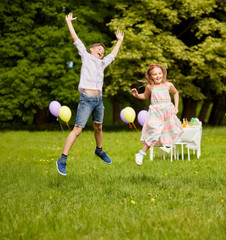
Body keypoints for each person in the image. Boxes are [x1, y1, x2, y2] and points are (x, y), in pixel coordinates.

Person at [56, 13, 124, 176]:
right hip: (86, 100)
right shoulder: (86, 56)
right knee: (77, 130)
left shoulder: (102, 63)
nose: (101, 51)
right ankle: (62, 159)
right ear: (91, 50)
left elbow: (113, 55)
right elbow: (76, 39)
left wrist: (120, 41)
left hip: (98, 100)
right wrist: (69, 23)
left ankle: (99, 150)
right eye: (99, 49)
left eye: (103, 50)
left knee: (98, 126)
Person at [131, 64, 183, 166]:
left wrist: (176, 107)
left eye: (159, 73)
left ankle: (165, 144)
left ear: (163, 74)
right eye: (155, 74)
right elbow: (144, 96)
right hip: (156, 114)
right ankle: (141, 154)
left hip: (167, 113)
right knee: (153, 133)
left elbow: (176, 93)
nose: (158, 76)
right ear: (150, 77)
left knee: (170, 132)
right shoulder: (150, 87)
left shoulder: (168, 85)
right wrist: (136, 95)